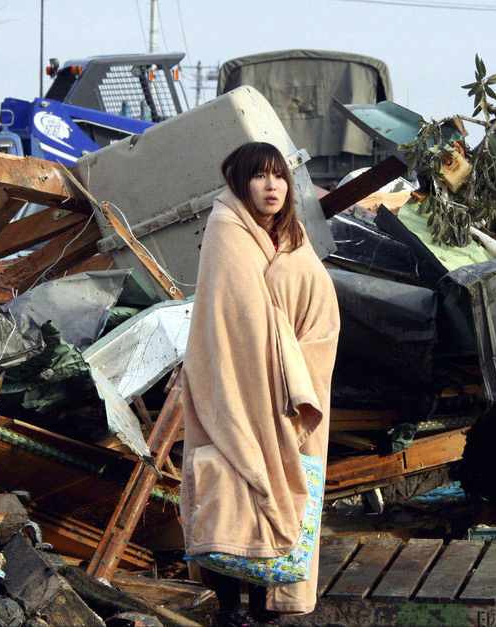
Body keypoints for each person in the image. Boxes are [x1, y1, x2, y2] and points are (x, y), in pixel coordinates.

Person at [180, 142, 340, 626]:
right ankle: (231, 608)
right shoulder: (228, 230)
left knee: (285, 491)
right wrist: (273, 357)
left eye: (280, 177)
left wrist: (298, 363)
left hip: (296, 389)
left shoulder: (293, 237)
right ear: (240, 183)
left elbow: (320, 311)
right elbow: (237, 322)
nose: (272, 186)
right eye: (260, 176)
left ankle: (266, 606)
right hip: (236, 383)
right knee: (233, 487)